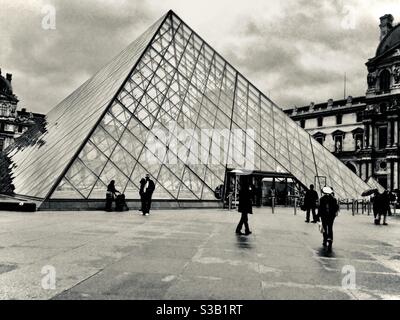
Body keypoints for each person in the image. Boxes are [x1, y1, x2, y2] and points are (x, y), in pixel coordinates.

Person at [317, 186, 339, 253]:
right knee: (330, 227)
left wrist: (318, 215)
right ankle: (330, 239)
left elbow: (320, 208)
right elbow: (336, 208)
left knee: (324, 228)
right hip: (331, 216)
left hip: (324, 216)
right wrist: (334, 214)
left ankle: (325, 239)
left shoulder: (322, 199)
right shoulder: (334, 199)